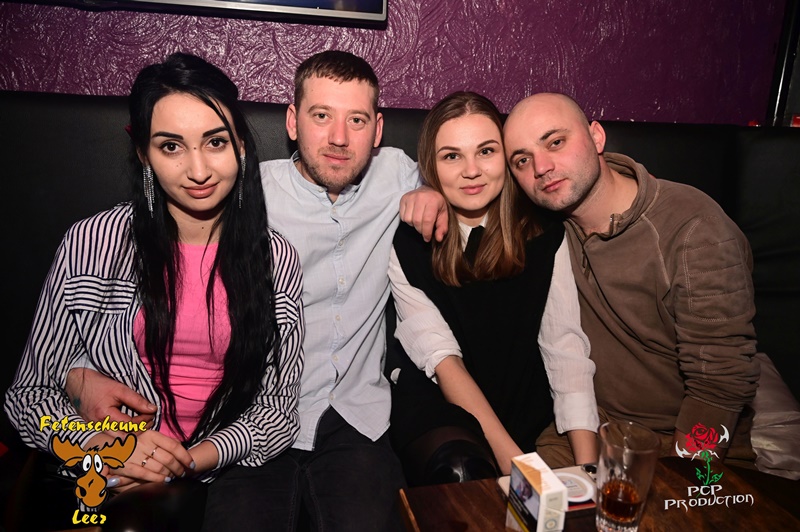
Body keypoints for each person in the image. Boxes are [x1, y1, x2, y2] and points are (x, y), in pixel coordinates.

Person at [60, 50, 446, 531]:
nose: (339, 137)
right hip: (250, 422)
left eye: (357, 120)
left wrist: (433, 190)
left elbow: (461, 172)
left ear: (378, 128)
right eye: (321, 116)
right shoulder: (243, 197)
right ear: (292, 121)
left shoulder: (398, 175)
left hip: (356, 416)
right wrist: (79, 378)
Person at [3, 51, 304, 519]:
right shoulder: (92, 243)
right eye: (171, 147)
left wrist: (183, 462)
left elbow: (278, 411)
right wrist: (101, 443)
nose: (198, 170)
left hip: (219, 467)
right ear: (144, 153)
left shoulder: (276, 258)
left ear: (241, 146)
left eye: (215, 142)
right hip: (109, 468)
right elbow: (27, 397)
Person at [502, 92, 760, 461]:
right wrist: (427, 192)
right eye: (522, 160)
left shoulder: (693, 228)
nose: (541, 167)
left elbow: (720, 382)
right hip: (587, 427)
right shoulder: (543, 226)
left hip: (684, 441)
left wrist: (681, 478)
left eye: (556, 142)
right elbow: (468, 185)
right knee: (509, 496)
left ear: (596, 137)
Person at [387, 91, 598, 476]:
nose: (472, 171)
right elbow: (443, 361)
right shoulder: (409, 244)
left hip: (522, 400)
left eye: (485, 151)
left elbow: (564, 348)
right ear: (431, 166)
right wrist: (521, 470)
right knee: (461, 468)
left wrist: (589, 469)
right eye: (452, 156)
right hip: (441, 407)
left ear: (507, 157)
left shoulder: (544, 233)